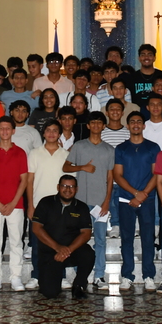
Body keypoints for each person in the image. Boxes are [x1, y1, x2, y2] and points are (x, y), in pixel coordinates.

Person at [62, 111, 115, 290]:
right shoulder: (79, 146)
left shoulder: (109, 150)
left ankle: (99, 275)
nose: (96, 126)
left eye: (100, 123)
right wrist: (82, 167)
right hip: (80, 203)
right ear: (88, 125)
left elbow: (110, 178)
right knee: (78, 240)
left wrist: (107, 201)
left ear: (103, 126)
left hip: (100, 203)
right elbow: (66, 166)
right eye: (93, 123)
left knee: (100, 240)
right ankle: (80, 276)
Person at [113, 111, 161, 291]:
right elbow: (117, 175)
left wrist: (143, 194)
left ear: (143, 125)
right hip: (126, 199)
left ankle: (149, 275)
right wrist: (134, 193)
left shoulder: (153, 147)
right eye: (132, 121)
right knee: (126, 238)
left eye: (139, 122)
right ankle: (127, 275)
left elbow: (157, 174)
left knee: (148, 238)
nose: (135, 124)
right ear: (127, 126)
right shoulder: (121, 148)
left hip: (147, 200)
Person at [0, 117, 29, 292]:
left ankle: (16, 277)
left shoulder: (21, 153)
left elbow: (24, 181)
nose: (5, 132)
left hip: (16, 205)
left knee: (16, 242)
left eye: (8, 128)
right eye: (1, 128)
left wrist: (13, 203)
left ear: (13, 131)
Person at [31, 174, 94, 299]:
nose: (68, 189)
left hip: (71, 251)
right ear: (58, 187)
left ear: (76, 189)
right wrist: (58, 248)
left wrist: (67, 250)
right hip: (50, 253)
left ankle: (79, 285)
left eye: (71, 187)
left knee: (88, 253)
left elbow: (86, 234)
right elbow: (36, 228)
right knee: (49, 292)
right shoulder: (45, 202)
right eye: (64, 186)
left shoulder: (81, 207)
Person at [26, 120, 70, 290]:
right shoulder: (34, 153)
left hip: (60, 206)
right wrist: (30, 205)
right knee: (37, 244)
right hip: (38, 205)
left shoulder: (66, 155)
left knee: (60, 242)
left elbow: (68, 184)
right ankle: (36, 276)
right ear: (43, 134)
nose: (51, 133)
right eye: (48, 130)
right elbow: (29, 181)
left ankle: (62, 275)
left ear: (59, 134)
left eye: (55, 131)